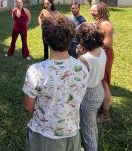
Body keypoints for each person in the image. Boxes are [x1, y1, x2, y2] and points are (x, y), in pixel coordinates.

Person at [23, 15, 89, 151]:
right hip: (72, 133)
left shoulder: (36, 71)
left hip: (45, 135)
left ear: (46, 39)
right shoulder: (82, 68)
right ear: (71, 39)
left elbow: (29, 106)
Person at [76, 22, 107, 151]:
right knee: (91, 125)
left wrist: (78, 54)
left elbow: (77, 80)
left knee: (86, 129)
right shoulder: (102, 51)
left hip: (87, 95)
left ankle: (91, 148)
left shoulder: (84, 59)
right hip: (98, 91)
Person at [90, 3, 115, 123]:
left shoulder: (106, 25)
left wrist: (91, 41)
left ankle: (106, 115)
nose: (91, 12)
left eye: (94, 11)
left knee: (104, 82)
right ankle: (100, 107)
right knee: (99, 80)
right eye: (91, 10)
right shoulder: (98, 22)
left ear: (101, 12)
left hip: (105, 55)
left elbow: (108, 44)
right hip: (99, 54)